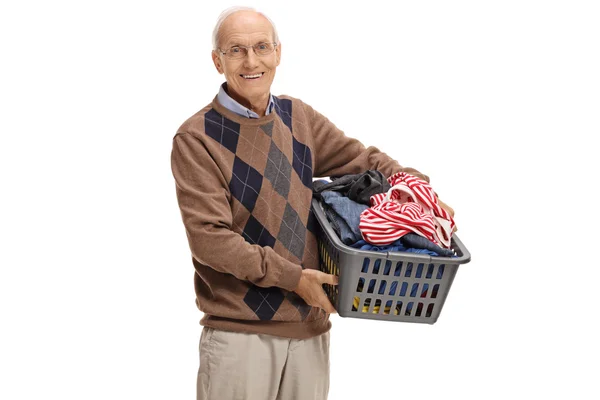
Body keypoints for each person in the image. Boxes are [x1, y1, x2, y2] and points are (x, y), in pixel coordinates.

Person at [171, 6, 453, 400]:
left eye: (261, 47)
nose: (251, 61)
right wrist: (294, 279)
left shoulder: (297, 118)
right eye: (236, 50)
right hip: (240, 337)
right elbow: (210, 239)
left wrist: (419, 190)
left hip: (311, 330)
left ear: (278, 53)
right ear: (217, 61)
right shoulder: (196, 138)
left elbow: (362, 160)